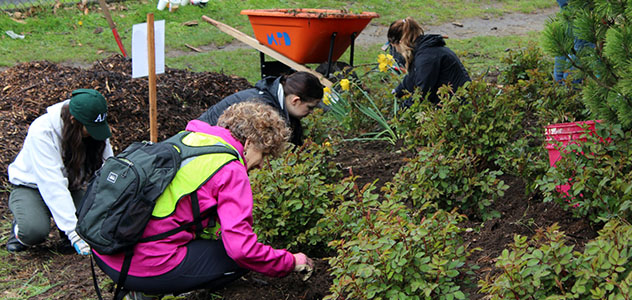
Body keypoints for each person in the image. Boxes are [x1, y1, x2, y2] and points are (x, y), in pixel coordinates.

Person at [93, 101, 314, 299]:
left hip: (107, 251)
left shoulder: (188, 139)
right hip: (141, 267)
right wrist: (290, 261)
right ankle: (152, 292)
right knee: (237, 262)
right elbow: (242, 250)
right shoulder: (230, 169)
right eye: (264, 154)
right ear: (248, 143)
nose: (263, 164)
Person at [6, 89, 114, 255]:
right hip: (32, 187)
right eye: (90, 128)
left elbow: (108, 169)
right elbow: (52, 185)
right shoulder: (42, 131)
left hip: (71, 186)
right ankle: (20, 228)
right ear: (73, 120)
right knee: (34, 231)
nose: (94, 133)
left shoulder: (93, 126)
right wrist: (74, 234)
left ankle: (65, 232)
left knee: (92, 224)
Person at [197, 71, 324, 146]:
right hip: (202, 145)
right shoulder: (264, 110)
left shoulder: (274, 97)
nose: (311, 112)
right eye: (310, 107)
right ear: (295, 100)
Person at [387, 17, 471, 105]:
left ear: (401, 43)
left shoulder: (426, 58)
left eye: (395, 47)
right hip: (451, 100)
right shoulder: (422, 50)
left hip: (458, 104)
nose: (397, 51)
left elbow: (421, 93)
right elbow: (412, 77)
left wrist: (402, 112)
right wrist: (397, 92)